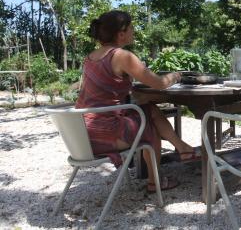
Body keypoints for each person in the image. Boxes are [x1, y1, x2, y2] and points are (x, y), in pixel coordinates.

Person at [76, 10, 199, 192]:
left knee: (147, 109)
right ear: (121, 33)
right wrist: (176, 76)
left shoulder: (90, 58)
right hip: (106, 135)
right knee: (147, 122)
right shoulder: (122, 56)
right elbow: (159, 83)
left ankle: (182, 148)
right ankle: (155, 181)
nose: (134, 30)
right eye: (132, 27)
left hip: (82, 135)